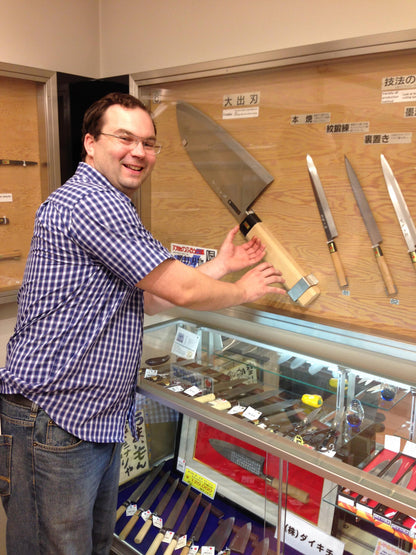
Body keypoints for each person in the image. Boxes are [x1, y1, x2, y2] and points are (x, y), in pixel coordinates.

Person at [0, 92, 286, 555]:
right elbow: (182, 291)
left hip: (87, 419)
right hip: (54, 419)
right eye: (125, 138)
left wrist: (221, 265)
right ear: (90, 144)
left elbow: (148, 297)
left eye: (150, 143)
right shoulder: (94, 202)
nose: (139, 152)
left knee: (89, 546)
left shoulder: (112, 204)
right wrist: (244, 291)